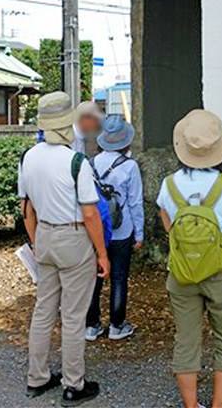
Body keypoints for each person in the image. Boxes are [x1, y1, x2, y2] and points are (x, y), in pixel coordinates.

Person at [19, 92, 110, 407]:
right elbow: (89, 213)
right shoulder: (76, 161)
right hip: (73, 238)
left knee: (43, 310)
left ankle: (37, 377)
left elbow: (26, 208)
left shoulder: (28, 157)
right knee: (73, 316)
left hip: (43, 234)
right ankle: (74, 384)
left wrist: (35, 240)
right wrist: (102, 253)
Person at [156, 109, 222, 408]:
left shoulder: (168, 185)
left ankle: (191, 406)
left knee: (186, 340)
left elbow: (169, 227)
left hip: (181, 272)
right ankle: (217, 406)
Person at [85, 115, 144, 342]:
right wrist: (139, 233)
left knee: (94, 277)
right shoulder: (130, 166)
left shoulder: (89, 164)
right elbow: (135, 202)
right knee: (119, 277)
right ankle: (117, 326)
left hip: (96, 229)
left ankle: (91, 326)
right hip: (122, 229)